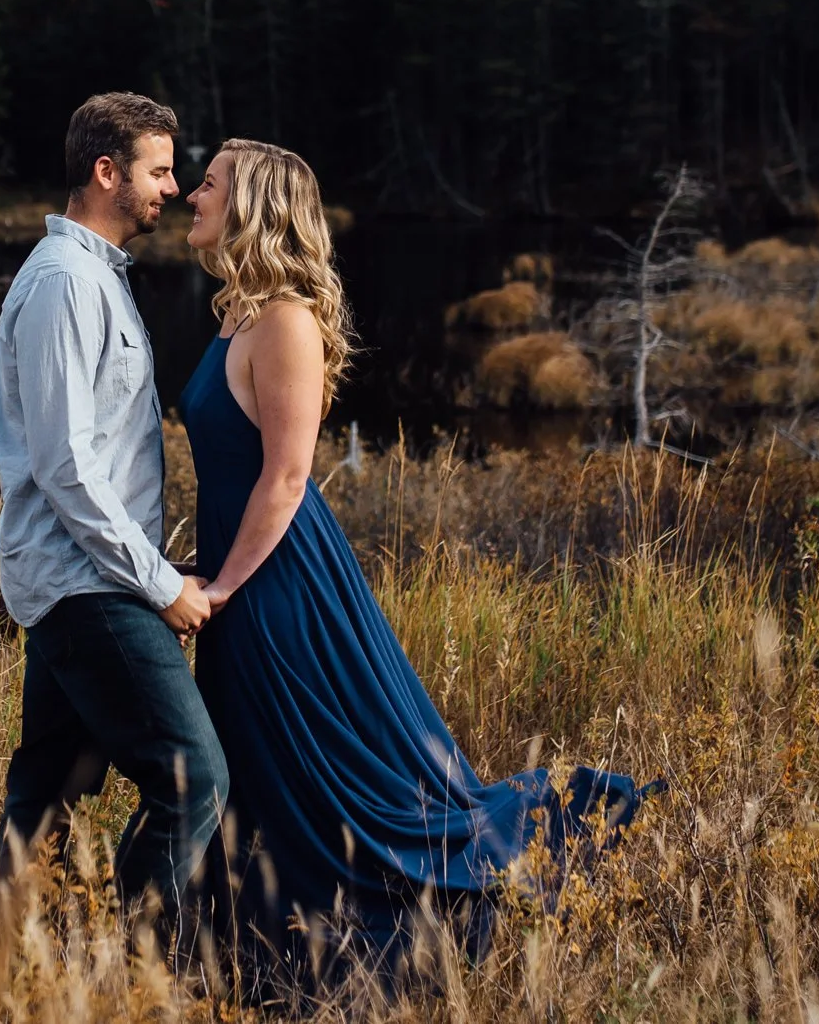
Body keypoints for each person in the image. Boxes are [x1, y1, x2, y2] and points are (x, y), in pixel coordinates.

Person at [180, 138, 653, 989]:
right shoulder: (234, 314)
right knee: (257, 757)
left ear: (252, 204)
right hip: (241, 572)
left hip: (275, 582)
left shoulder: (284, 318)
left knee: (315, 761)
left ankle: (357, 938)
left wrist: (220, 583)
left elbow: (288, 477)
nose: (190, 195)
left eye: (208, 184)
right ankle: (255, 945)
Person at [0, 92, 229, 931]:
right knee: (192, 776)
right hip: (87, 583)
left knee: (48, 786)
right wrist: (161, 584)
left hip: (80, 578)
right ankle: (137, 965)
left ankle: (8, 965)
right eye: (158, 170)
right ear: (106, 172)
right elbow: (65, 467)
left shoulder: (95, 278)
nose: (172, 186)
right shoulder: (64, 285)